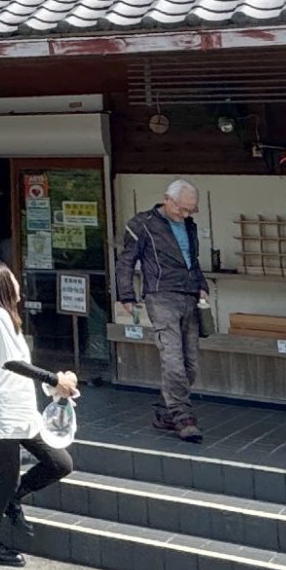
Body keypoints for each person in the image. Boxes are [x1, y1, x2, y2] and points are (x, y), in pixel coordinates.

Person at [0, 260, 78, 567]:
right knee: (5, 474)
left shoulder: (4, 318)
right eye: (13, 279)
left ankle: (14, 498)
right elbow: (11, 363)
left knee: (59, 462)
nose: (18, 284)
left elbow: (16, 364)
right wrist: (54, 379)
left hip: (18, 407)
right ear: (2, 284)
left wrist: (54, 386)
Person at [114, 179, 210, 443]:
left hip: (190, 296)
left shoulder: (189, 225)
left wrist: (201, 286)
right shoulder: (141, 224)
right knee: (173, 359)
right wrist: (127, 295)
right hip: (160, 295)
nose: (186, 214)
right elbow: (126, 262)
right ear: (167, 199)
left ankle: (165, 412)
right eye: (182, 209)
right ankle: (183, 416)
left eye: (191, 210)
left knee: (191, 363)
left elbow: (193, 260)